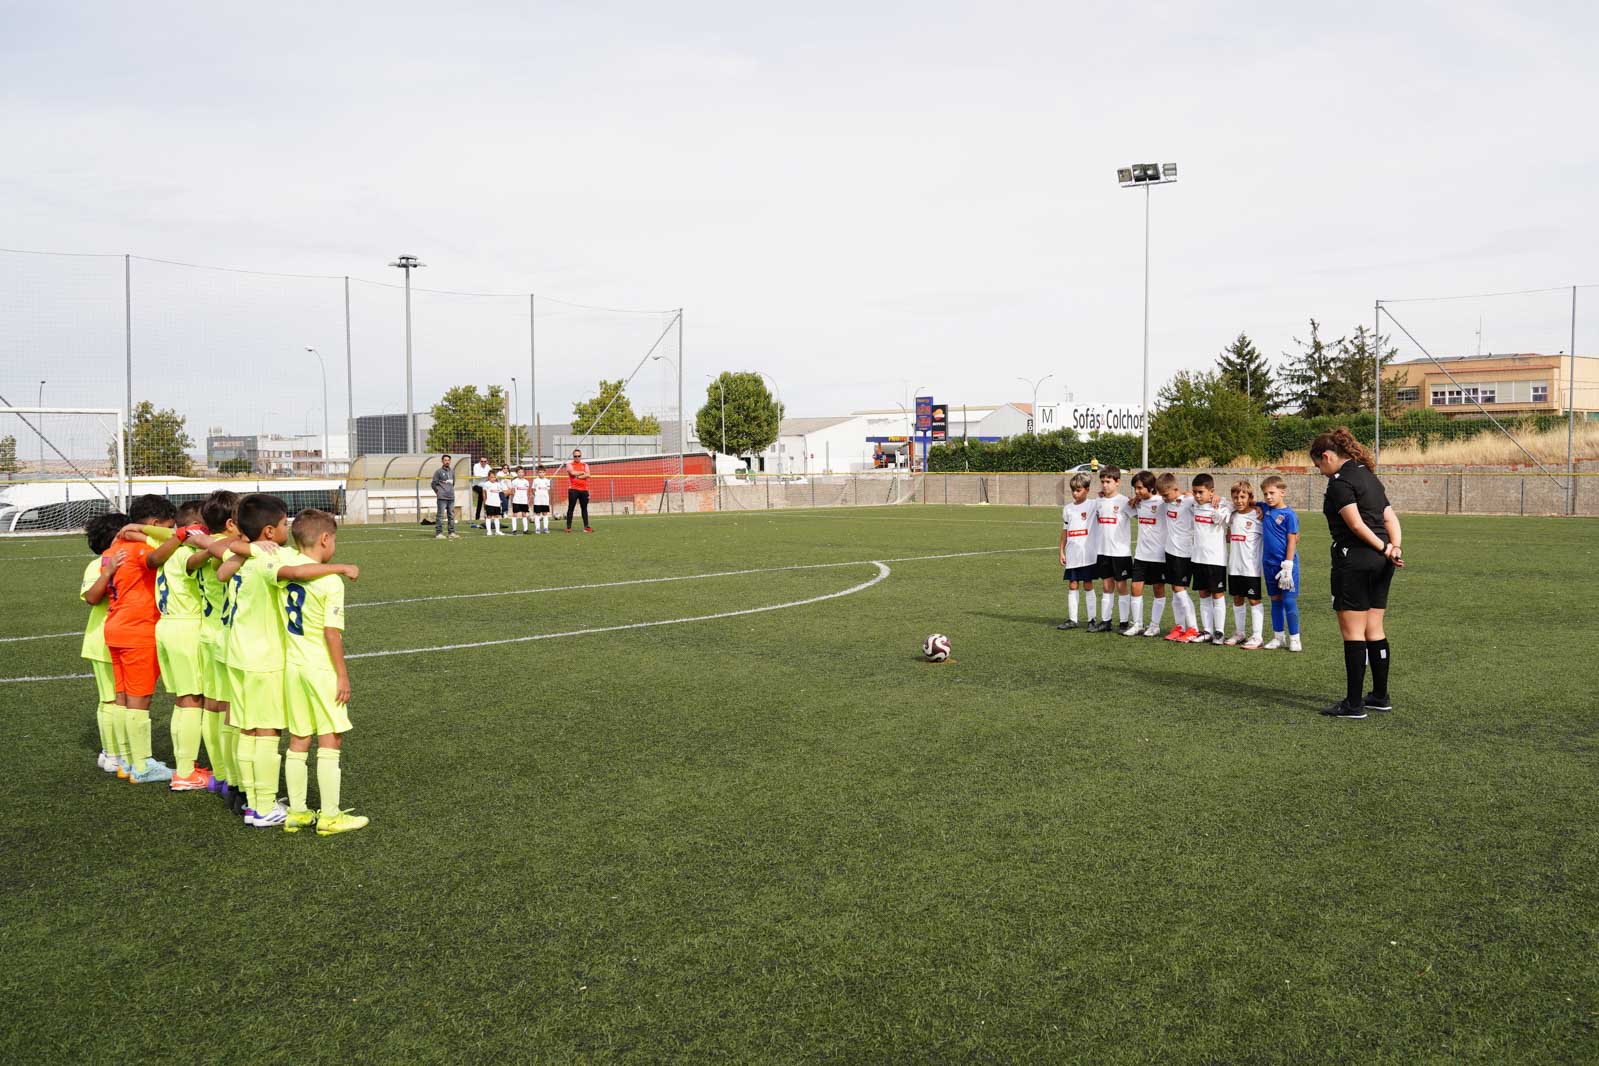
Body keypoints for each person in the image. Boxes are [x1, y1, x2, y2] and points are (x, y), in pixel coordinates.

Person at [217, 493, 355, 827]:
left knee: (250, 729)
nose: (286, 527)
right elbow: (295, 570)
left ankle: (253, 800)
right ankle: (266, 806)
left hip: (239, 652)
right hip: (268, 657)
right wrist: (338, 567)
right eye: (282, 524)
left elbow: (220, 563)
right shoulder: (274, 558)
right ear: (268, 532)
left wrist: (244, 546)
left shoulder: (257, 553)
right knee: (267, 731)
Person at [278, 509, 366, 835]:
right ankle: (330, 816)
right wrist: (342, 675)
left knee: (299, 738)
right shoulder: (330, 581)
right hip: (319, 667)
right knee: (331, 737)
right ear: (326, 539)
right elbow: (332, 633)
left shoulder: (284, 568)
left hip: (293, 667)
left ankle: (298, 812)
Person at [1312, 428, 1402, 719]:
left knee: (1353, 633)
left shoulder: (1340, 483)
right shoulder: (1369, 476)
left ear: (1327, 457)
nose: (1321, 472)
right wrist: (1394, 548)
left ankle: (1353, 704)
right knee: (1374, 629)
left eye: (1319, 466)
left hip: (1357, 559)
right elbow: (1390, 517)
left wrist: (1384, 547)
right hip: (1381, 561)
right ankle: (1379, 696)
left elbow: (1356, 525)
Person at [103, 494, 179, 783]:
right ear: (156, 523)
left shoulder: (114, 546)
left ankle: (126, 760)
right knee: (139, 700)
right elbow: (156, 556)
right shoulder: (137, 547)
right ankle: (142, 764)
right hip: (138, 629)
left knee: (122, 698)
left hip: (116, 626)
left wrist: (137, 529)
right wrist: (176, 536)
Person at [154, 501, 214, 789]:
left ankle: (185, 767)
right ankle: (186, 773)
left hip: (167, 625)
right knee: (192, 700)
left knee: (183, 700)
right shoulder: (185, 554)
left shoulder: (168, 551)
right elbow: (205, 555)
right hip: (186, 627)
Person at [197, 491, 244, 808]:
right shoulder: (228, 551)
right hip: (226, 637)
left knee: (212, 707)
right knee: (232, 712)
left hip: (206, 632)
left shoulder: (197, 544)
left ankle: (218, 774)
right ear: (230, 523)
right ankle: (231, 777)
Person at [80, 511, 130, 775]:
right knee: (110, 699)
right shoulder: (97, 565)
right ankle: (111, 753)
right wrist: (109, 570)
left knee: (122, 699)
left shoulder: (130, 561)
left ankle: (122, 750)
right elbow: (92, 597)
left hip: (124, 637)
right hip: (102, 641)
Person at [1258, 475, 1303, 652]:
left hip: (1286, 565)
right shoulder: (1264, 508)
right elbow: (1249, 500)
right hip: (1268, 564)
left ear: (1282, 492)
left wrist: (1288, 564)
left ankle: (1295, 638)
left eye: (1272, 493)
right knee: (1275, 600)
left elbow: (1292, 540)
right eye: (1265, 494)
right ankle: (1278, 637)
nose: (1268, 497)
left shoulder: (1289, 515)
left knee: (1289, 602)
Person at [1187, 473, 1232, 645]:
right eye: (1195, 492)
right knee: (1203, 594)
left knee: (1217, 595)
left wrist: (1222, 499)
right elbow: (1182, 496)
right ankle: (1207, 630)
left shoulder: (1221, 505)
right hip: (1198, 558)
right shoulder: (1193, 505)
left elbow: (1236, 504)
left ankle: (1219, 632)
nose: (1197, 496)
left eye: (1201, 492)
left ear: (1211, 491)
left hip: (1216, 559)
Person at [1157, 473, 1200, 642]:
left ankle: (1193, 628)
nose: (1163, 498)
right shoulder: (1166, 503)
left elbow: (1209, 500)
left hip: (1185, 553)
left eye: (1166, 495)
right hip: (1170, 552)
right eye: (1161, 495)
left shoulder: (1189, 501)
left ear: (1176, 489)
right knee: (1175, 590)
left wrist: (1216, 497)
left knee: (1180, 590)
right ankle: (1180, 627)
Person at [1224, 481, 1266, 649]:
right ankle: (1240, 633)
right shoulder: (1232, 516)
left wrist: (1259, 507)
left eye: (1243, 497)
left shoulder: (1258, 516)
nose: (1239, 500)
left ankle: (1257, 636)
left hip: (1251, 568)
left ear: (1250, 498)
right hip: (1234, 566)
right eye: (1236, 497)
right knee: (1237, 598)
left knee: (1254, 600)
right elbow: (1228, 536)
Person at [1056, 473, 1100, 630]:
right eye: (1073, 490)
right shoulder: (1068, 509)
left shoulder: (1094, 505)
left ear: (1087, 490)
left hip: (1088, 554)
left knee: (1088, 584)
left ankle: (1092, 620)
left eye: (1078, 490)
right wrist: (1061, 551)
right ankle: (1072, 619)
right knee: (1073, 584)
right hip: (1072, 553)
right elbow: (1065, 530)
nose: (1075, 493)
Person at [1093, 466, 1134, 634]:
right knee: (1106, 585)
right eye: (1102, 481)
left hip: (1120, 552)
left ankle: (1124, 621)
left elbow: (1144, 513)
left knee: (1121, 585)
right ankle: (1106, 621)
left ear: (1117, 482)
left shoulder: (1125, 502)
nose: (1105, 485)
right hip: (1103, 550)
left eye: (1108, 482)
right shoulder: (1098, 502)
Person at [1128, 471, 1168, 638]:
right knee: (1135, 587)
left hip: (1159, 555)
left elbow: (1182, 496)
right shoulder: (1137, 503)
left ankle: (1155, 625)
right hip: (1141, 554)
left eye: (1139, 488)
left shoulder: (1162, 502)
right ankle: (1137, 624)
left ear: (1151, 487)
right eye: (1135, 488)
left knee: (1158, 589)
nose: (1136, 492)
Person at [563, 449, 593, 532]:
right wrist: (582, 473)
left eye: (578, 456)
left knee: (584, 508)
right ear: (573, 456)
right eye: (575, 456)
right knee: (571, 508)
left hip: (584, 490)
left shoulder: (585, 465)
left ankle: (586, 527)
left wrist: (579, 476)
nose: (577, 457)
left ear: (581, 456)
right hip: (573, 490)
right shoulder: (569, 464)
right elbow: (572, 473)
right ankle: (568, 527)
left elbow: (588, 474)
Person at [431, 455, 458, 539]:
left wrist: (449, 490)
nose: (447, 461)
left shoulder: (452, 472)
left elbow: (453, 483)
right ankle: (438, 533)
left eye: (448, 460)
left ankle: (451, 533)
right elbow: (433, 484)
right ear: (442, 461)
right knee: (440, 516)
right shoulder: (438, 472)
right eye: (445, 460)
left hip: (451, 497)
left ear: (450, 461)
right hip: (442, 497)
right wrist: (438, 492)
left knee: (451, 515)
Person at [482, 470, 505, 536]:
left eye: (494, 477)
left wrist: (500, 501)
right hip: (489, 503)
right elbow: (484, 493)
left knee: (497, 516)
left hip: (497, 503)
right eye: (491, 477)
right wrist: (485, 502)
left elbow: (500, 493)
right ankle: (489, 531)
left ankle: (497, 531)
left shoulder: (498, 484)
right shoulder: (486, 484)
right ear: (488, 477)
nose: (493, 478)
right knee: (489, 516)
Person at [509, 466, 531, 534]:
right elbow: (512, 491)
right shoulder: (514, 481)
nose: (521, 473)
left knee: (524, 514)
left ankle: (525, 530)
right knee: (515, 515)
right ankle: (514, 530)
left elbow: (527, 492)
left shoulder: (526, 482)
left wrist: (527, 500)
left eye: (522, 472)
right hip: (516, 501)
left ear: (524, 473)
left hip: (524, 501)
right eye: (519, 472)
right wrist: (513, 500)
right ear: (517, 473)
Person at [532, 466, 552, 533]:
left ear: (545, 473)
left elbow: (548, 490)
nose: (541, 474)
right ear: (537, 473)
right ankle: (537, 528)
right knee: (537, 514)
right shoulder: (535, 480)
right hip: (537, 500)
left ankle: (546, 528)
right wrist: (536, 495)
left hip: (545, 500)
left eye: (543, 472)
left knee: (545, 514)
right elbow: (532, 490)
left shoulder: (547, 481)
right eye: (540, 472)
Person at [471, 456, 491, 522]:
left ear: (486, 461)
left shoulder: (488, 467)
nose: (483, 463)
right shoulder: (476, 466)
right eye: (481, 461)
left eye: (484, 461)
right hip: (476, 485)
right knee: (482, 496)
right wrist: (486, 476)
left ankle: (478, 516)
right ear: (480, 461)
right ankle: (484, 514)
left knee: (482, 499)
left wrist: (484, 476)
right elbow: (477, 476)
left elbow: (490, 475)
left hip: (485, 486)